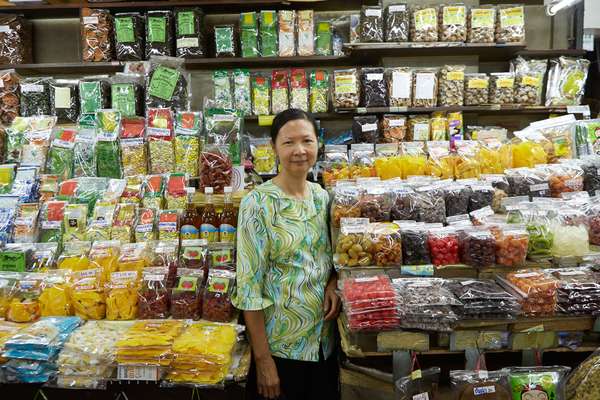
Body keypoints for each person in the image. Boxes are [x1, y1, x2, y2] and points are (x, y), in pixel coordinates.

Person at [232, 109, 341, 400]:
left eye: (307, 141)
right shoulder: (258, 203)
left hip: (324, 345)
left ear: (318, 144)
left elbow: (332, 259)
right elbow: (248, 287)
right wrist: (263, 361)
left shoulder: (322, 197)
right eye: (288, 142)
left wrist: (332, 283)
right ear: (273, 148)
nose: (299, 151)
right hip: (281, 349)